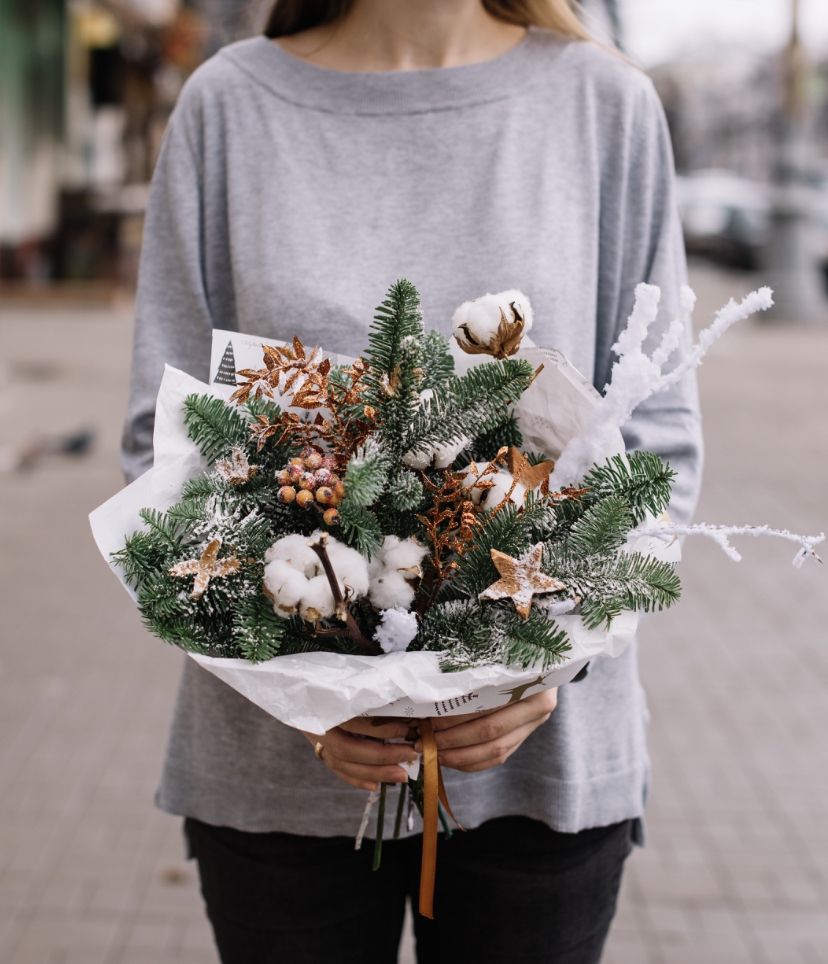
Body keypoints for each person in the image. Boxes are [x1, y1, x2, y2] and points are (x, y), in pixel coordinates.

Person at [121, 1, 702, 961]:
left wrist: (554, 657)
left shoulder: (606, 106)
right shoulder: (228, 108)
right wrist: (303, 694)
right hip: (274, 775)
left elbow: (659, 441)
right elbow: (168, 440)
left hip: (541, 776)